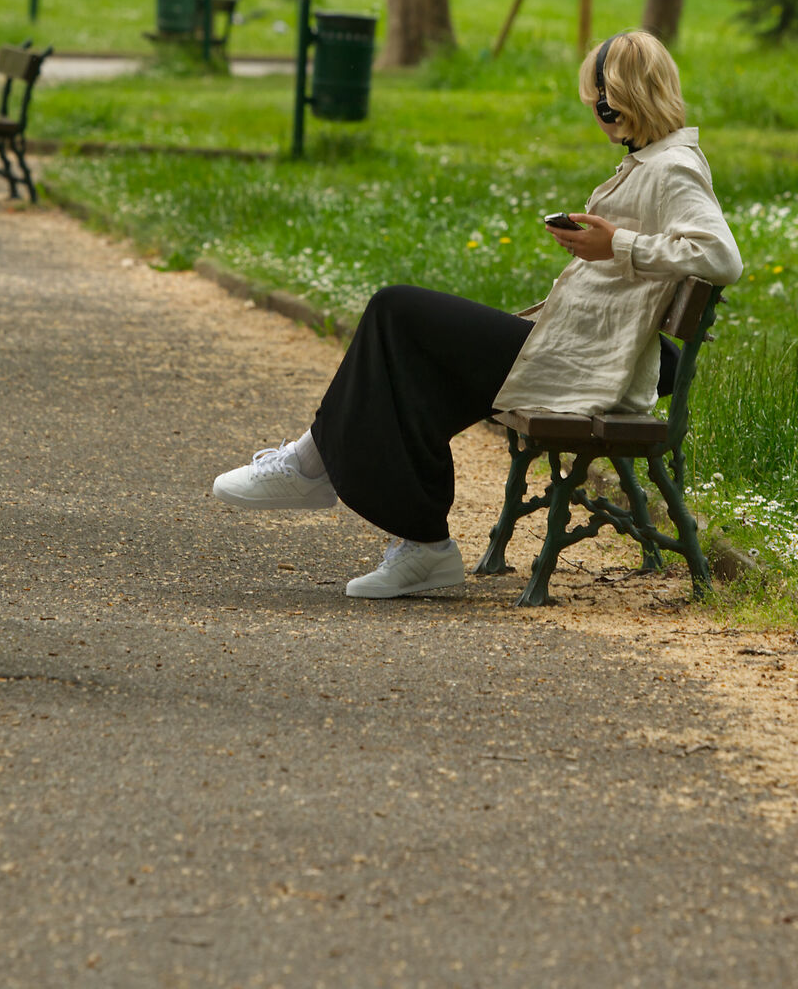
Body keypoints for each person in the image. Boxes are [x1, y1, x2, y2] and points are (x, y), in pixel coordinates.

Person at [211, 30, 743, 598]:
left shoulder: (674, 165)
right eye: (597, 102)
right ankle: (408, 535)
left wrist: (616, 245)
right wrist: (607, 246)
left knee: (396, 309)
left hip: (583, 367)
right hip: (569, 345)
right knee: (408, 358)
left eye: (603, 101)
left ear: (628, 96)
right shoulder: (649, 161)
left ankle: (318, 470)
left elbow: (721, 256)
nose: (600, 113)